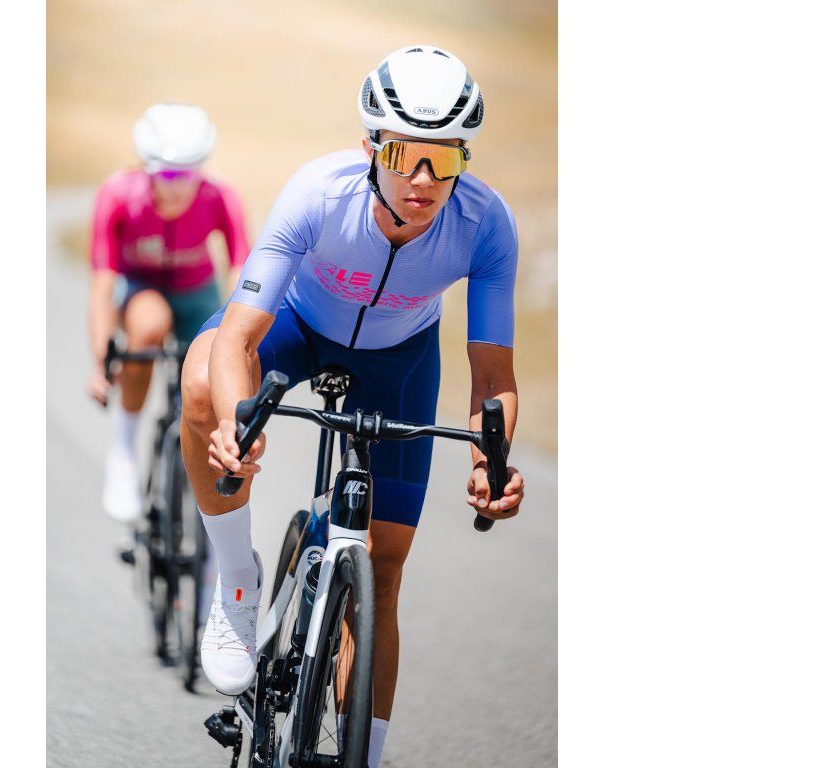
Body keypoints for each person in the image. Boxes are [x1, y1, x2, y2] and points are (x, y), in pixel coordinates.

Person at [180, 45, 526, 767]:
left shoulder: (486, 223)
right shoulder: (318, 195)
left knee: (384, 572)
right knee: (201, 386)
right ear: (371, 146)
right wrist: (238, 430)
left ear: (464, 158)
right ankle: (236, 578)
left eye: (445, 158)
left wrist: (490, 465)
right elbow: (237, 337)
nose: (423, 179)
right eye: (403, 153)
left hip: (399, 356)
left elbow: (492, 373)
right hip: (297, 325)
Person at [86, 103, 250, 527]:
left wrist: (236, 342)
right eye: (168, 176)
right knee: (150, 324)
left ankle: (212, 527)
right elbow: (103, 284)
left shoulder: (219, 194)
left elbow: (241, 272)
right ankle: (124, 450)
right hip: (142, 290)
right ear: (146, 167)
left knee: (211, 369)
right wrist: (102, 361)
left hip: (197, 293)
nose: (179, 186)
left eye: (191, 173)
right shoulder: (118, 194)